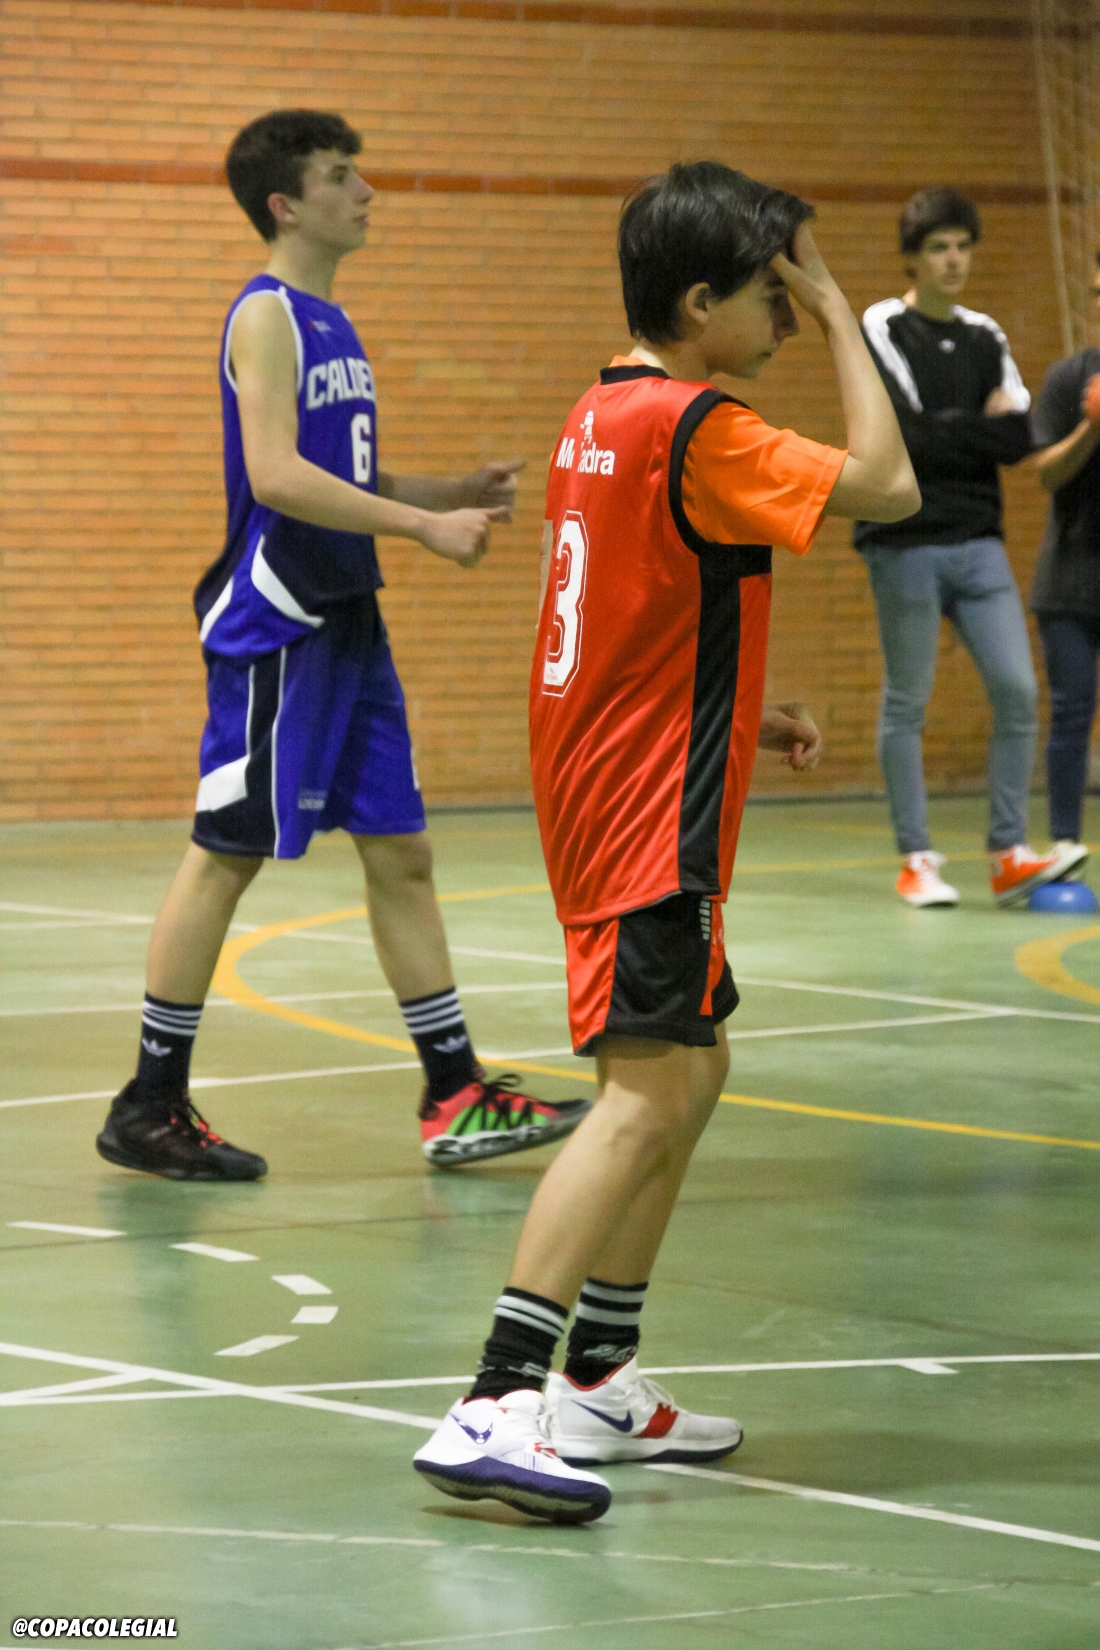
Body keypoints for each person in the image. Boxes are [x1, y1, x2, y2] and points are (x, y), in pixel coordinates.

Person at [412, 161, 920, 1524]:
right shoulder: (700, 423)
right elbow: (887, 483)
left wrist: (744, 717)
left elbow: (634, 618)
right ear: (701, 304)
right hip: (645, 819)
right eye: (769, 294)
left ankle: (597, 1375)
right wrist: (847, 308)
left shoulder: (605, 408)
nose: (785, 315)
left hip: (612, 784)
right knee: (641, 1094)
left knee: (693, 1067)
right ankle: (495, 1398)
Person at [95, 109, 590, 1182]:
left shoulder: (333, 320)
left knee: (401, 850)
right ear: (286, 204)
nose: (365, 192)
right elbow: (275, 476)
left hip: (348, 616)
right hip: (280, 620)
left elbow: (342, 476)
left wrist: (442, 491)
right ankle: (148, 1102)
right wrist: (419, 529)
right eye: (338, 175)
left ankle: (454, 1094)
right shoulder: (266, 316)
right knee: (224, 852)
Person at [855, 186, 1086, 908]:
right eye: (938, 248)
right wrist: (972, 427)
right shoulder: (883, 325)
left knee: (1018, 691)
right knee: (909, 699)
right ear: (913, 257)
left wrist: (953, 428)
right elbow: (906, 433)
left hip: (979, 540)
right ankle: (917, 858)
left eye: (962, 247)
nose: (953, 260)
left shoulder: (986, 335)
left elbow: (1019, 438)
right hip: (904, 540)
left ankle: (1007, 851)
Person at [1029, 255, 1100, 855]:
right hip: (1070, 580)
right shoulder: (1067, 379)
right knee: (1073, 710)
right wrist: (1092, 426)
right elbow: (1045, 473)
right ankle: (1063, 845)